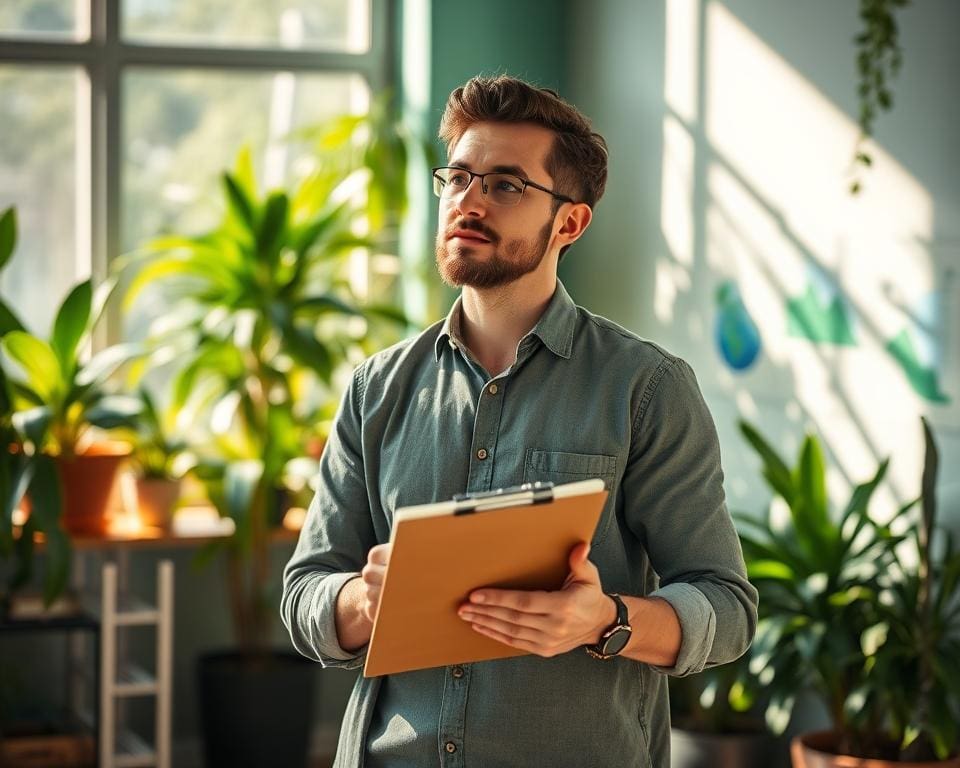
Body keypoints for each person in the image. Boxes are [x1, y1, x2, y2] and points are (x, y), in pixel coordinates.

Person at [281, 74, 758, 768]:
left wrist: (605, 620)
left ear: (569, 222)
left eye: (506, 185)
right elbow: (304, 594)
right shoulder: (374, 388)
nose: (469, 201)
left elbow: (727, 607)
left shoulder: (646, 389)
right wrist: (361, 600)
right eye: (459, 178)